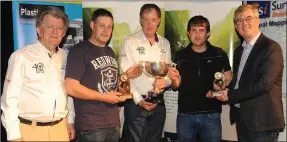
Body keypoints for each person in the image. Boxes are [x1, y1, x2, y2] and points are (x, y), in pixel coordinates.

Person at [1, 6, 75, 141]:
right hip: (29, 131)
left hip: (60, 129)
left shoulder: (66, 57)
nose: (55, 32)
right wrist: (13, 135)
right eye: (49, 26)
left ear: (64, 33)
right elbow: (9, 99)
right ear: (38, 30)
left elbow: (68, 92)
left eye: (59, 28)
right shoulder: (21, 56)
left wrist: (70, 120)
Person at [216, 4, 285, 142]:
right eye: (239, 21)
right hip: (243, 119)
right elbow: (241, 81)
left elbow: (263, 84)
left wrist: (231, 94)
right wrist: (224, 90)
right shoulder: (239, 51)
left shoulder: (271, 48)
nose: (244, 23)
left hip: (262, 122)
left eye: (248, 18)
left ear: (258, 21)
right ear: (236, 26)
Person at [119, 3, 178, 142]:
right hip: (136, 104)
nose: (149, 23)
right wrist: (139, 100)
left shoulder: (165, 43)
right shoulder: (130, 42)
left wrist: (166, 81)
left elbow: (169, 73)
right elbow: (126, 76)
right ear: (140, 20)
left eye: (153, 19)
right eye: (145, 19)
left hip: (158, 103)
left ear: (159, 20)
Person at [65, 8, 125, 142]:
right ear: (92, 25)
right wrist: (104, 97)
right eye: (102, 26)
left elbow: (108, 85)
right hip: (91, 127)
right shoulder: (79, 51)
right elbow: (70, 87)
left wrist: (122, 89)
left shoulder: (110, 51)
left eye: (109, 27)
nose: (106, 30)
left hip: (113, 123)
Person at [171, 15, 232, 142]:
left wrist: (218, 89)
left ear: (208, 33)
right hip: (185, 115)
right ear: (188, 33)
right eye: (193, 30)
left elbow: (228, 77)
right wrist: (173, 79)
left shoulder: (219, 54)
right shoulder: (180, 55)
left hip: (211, 114)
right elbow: (176, 85)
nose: (197, 35)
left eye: (201, 30)